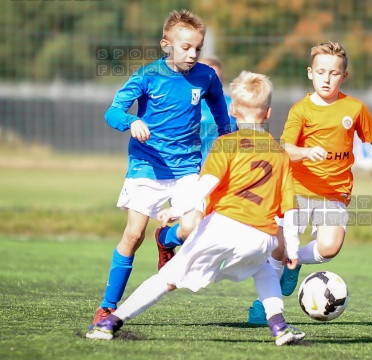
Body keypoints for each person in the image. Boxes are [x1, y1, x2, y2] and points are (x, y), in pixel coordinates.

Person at [86, 70, 306, 346]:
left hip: (223, 226)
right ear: (269, 112)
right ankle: (279, 327)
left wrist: (178, 210)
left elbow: (206, 185)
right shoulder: (279, 152)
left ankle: (110, 322)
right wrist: (293, 249)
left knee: (167, 278)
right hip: (262, 236)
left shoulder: (226, 144)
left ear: (233, 110)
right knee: (263, 270)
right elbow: (290, 208)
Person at [90, 10, 232, 330]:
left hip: (186, 167)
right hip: (147, 166)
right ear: (166, 44)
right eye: (185, 47)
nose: (192, 54)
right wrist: (132, 121)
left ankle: (166, 239)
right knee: (133, 234)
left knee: (194, 224)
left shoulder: (207, 76)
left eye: (197, 47)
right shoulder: (147, 76)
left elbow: (222, 113)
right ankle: (107, 306)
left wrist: (230, 137)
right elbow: (113, 112)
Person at [248, 41, 372, 324]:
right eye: (321, 72)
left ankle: (295, 264)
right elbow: (286, 147)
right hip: (296, 189)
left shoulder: (354, 108)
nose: (327, 78)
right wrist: (307, 152)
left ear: (344, 76)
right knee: (278, 250)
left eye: (333, 73)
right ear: (310, 73)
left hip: (334, 192)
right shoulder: (302, 110)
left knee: (329, 248)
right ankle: (265, 306)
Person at [154, 55, 238, 269]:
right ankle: (165, 239)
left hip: (220, 178)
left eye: (214, 78)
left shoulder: (232, 108)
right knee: (190, 226)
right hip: (190, 174)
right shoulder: (184, 103)